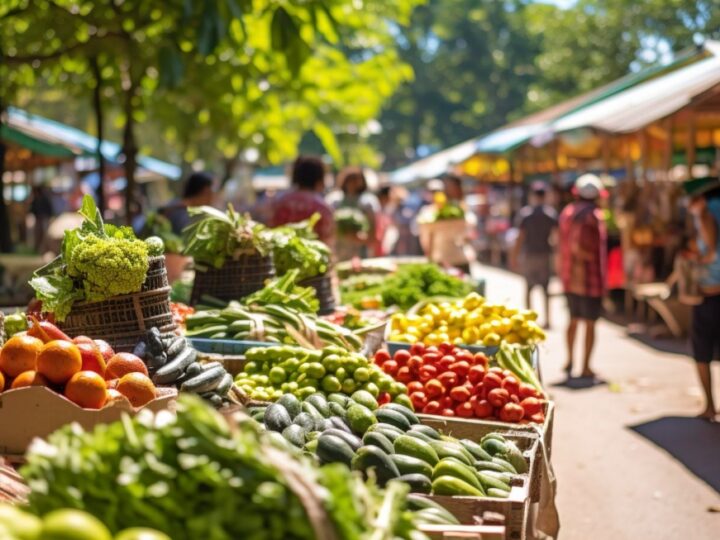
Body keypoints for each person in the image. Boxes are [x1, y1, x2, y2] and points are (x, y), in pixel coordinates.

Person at [558, 174, 607, 378]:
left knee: (573, 320)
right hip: (589, 279)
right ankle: (585, 366)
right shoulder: (593, 215)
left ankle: (570, 360)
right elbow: (581, 247)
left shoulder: (568, 212)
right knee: (589, 323)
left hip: (569, 277)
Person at [684, 177, 720, 420]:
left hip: (711, 291)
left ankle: (710, 405)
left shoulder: (706, 214)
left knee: (702, 351)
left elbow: (710, 251)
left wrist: (693, 258)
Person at [511, 182, 558, 328]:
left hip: (530, 255)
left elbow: (520, 237)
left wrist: (514, 256)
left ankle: (528, 319)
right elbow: (556, 238)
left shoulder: (526, 214)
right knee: (546, 289)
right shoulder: (550, 214)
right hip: (545, 254)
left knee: (528, 288)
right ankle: (548, 320)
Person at [270, 156, 335, 245]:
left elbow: (272, 232)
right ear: (320, 177)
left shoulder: (280, 203)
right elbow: (327, 242)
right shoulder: (323, 208)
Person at [329, 167, 379, 260]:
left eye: (356, 180)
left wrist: (357, 237)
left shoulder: (367, 202)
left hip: (360, 251)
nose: (353, 183)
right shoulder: (335, 200)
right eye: (351, 180)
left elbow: (372, 232)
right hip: (338, 249)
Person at [30, 185, 55, 252]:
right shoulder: (35, 200)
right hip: (38, 219)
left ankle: (44, 249)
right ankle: (37, 248)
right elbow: (32, 210)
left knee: (44, 234)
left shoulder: (44, 199)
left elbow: (49, 210)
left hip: (44, 219)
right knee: (37, 234)